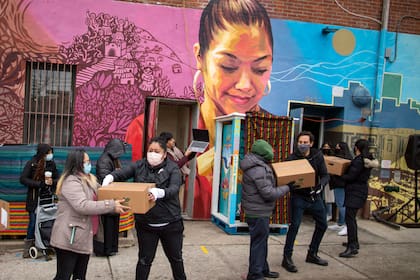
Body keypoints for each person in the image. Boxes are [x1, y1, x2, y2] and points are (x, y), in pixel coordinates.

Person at [101, 137, 186, 280]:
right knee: (144, 261)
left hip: (171, 223)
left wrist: (160, 192)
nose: (152, 154)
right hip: (146, 225)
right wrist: (110, 177)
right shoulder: (139, 165)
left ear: (164, 154)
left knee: (176, 259)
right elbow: (123, 173)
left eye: (156, 151)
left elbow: (174, 188)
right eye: (150, 150)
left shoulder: (173, 168)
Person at [50, 149, 129, 280]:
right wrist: (111, 205)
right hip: (69, 237)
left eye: (88, 161)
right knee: (63, 276)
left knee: (80, 276)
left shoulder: (89, 179)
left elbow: (103, 194)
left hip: (84, 236)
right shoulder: (71, 181)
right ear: (77, 164)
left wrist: (121, 198)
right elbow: (82, 205)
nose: (89, 164)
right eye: (85, 162)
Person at [240, 139, 292, 280]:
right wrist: (288, 187)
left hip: (256, 210)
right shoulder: (258, 169)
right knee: (258, 243)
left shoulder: (255, 164)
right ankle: (255, 275)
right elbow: (268, 193)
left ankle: (263, 269)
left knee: (261, 241)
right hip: (258, 212)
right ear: (264, 152)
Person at [282, 131, 330, 273]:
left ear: (311, 143)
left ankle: (312, 254)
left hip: (315, 197)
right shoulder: (292, 159)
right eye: (300, 142)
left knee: (323, 224)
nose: (302, 145)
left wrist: (321, 185)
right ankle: (287, 258)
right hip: (299, 197)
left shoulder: (317, 156)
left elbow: (325, 175)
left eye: (305, 142)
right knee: (294, 226)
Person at [339, 139, 379, 258]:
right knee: (351, 218)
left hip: (355, 192)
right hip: (360, 191)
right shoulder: (367, 160)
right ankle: (353, 242)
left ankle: (352, 247)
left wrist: (339, 175)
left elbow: (351, 176)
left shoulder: (358, 161)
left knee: (350, 219)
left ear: (356, 148)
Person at [20, 143, 59, 258]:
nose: (50, 155)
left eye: (51, 152)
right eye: (48, 153)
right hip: (34, 199)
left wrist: (53, 182)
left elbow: (58, 178)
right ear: (42, 153)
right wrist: (39, 184)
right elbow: (23, 179)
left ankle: (46, 243)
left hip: (48, 199)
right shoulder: (32, 163)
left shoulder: (51, 164)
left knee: (48, 222)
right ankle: (28, 248)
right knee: (33, 223)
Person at [94, 138, 127, 256]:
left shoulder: (110, 159)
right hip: (107, 196)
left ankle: (111, 248)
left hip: (112, 195)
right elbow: (105, 179)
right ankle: (106, 249)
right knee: (107, 224)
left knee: (112, 223)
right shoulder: (104, 160)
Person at [159, 131, 196, 211]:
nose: (173, 140)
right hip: (171, 181)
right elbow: (176, 165)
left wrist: (193, 151)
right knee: (174, 200)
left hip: (179, 179)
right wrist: (186, 155)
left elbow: (185, 158)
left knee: (179, 199)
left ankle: (176, 213)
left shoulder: (175, 150)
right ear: (167, 142)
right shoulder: (165, 153)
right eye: (171, 139)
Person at [328, 141, 353, 236]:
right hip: (336, 183)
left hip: (341, 184)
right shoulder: (338, 158)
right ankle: (340, 223)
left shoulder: (346, 160)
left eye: (338, 147)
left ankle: (347, 225)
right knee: (339, 204)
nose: (336, 149)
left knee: (342, 205)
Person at [320, 142, 334, 222]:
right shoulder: (320, 156)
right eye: (324, 146)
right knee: (322, 198)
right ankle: (322, 214)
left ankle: (329, 214)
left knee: (328, 199)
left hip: (329, 180)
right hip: (321, 178)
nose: (326, 148)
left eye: (327, 147)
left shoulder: (332, 157)